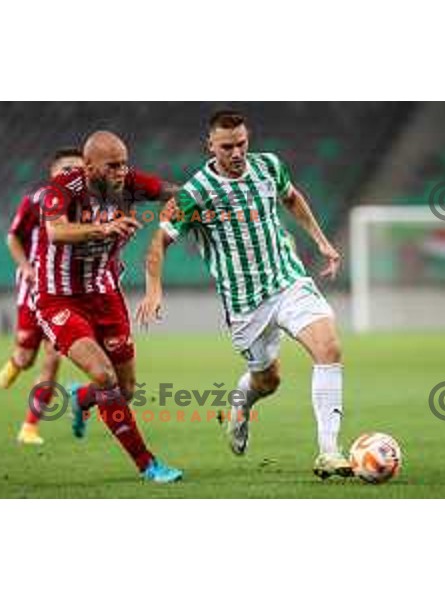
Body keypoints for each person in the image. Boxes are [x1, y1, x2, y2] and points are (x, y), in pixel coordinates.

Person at [137, 110, 351, 480]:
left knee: (328, 347)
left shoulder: (269, 166)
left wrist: (321, 242)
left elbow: (292, 198)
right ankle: (240, 405)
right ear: (210, 146)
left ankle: (330, 452)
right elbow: (159, 241)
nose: (236, 153)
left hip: (288, 282)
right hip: (245, 304)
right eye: (226, 147)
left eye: (241, 144)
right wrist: (154, 289)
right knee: (268, 381)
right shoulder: (194, 194)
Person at [33, 130, 182, 483]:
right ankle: (148, 464)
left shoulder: (128, 183)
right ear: (87, 167)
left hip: (105, 295)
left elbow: (177, 193)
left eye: (125, 164)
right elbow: (56, 232)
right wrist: (102, 228)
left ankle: (82, 399)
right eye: (112, 166)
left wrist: (185, 204)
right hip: (59, 298)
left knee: (125, 390)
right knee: (104, 375)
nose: (121, 172)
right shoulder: (62, 189)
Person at [0, 147, 85, 445]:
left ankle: (29, 427)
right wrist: (26, 268)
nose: (72, 174)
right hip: (33, 288)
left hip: (63, 293)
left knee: (53, 358)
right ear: (52, 174)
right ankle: (16, 362)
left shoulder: (91, 204)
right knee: (26, 357)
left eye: (78, 168)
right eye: (66, 169)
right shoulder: (36, 200)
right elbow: (12, 237)